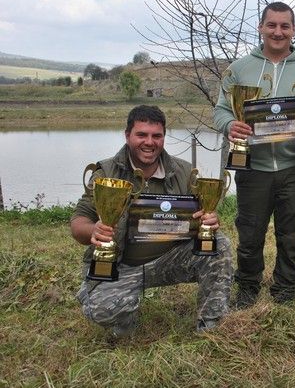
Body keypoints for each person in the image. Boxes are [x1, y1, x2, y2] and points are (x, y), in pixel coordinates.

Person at [213, 2, 295, 307]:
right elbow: (220, 110)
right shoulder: (238, 69)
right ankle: (247, 288)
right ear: (261, 27)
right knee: (250, 233)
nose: (278, 32)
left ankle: (286, 290)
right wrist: (230, 125)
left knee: (292, 234)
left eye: (285, 26)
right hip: (252, 167)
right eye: (271, 25)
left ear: (294, 30)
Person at [71, 105, 233, 337]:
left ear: (164, 137)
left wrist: (209, 220)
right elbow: (78, 221)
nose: (149, 142)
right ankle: (122, 314)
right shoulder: (105, 173)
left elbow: (201, 215)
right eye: (142, 135)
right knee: (102, 310)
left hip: (169, 261)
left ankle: (210, 325)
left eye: (157, 136)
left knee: (219, 245)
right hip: (120, 265)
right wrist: (93, 231)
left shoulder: (184, 172)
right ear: (127, 135)